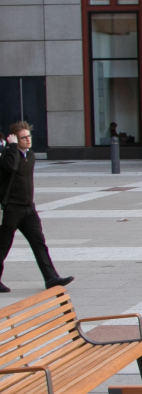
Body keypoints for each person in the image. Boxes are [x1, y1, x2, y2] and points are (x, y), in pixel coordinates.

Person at [0, 121, 73, 293]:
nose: (27, 140)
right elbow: (11, 167)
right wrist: (11, 147)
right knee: (3, 245)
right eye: (23, 138)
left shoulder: (30, 155)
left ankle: (51, 278)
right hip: (11, 208)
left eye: (28, 136)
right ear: (15, 139)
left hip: (28, 208)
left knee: (39, 242)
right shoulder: (8, 155)